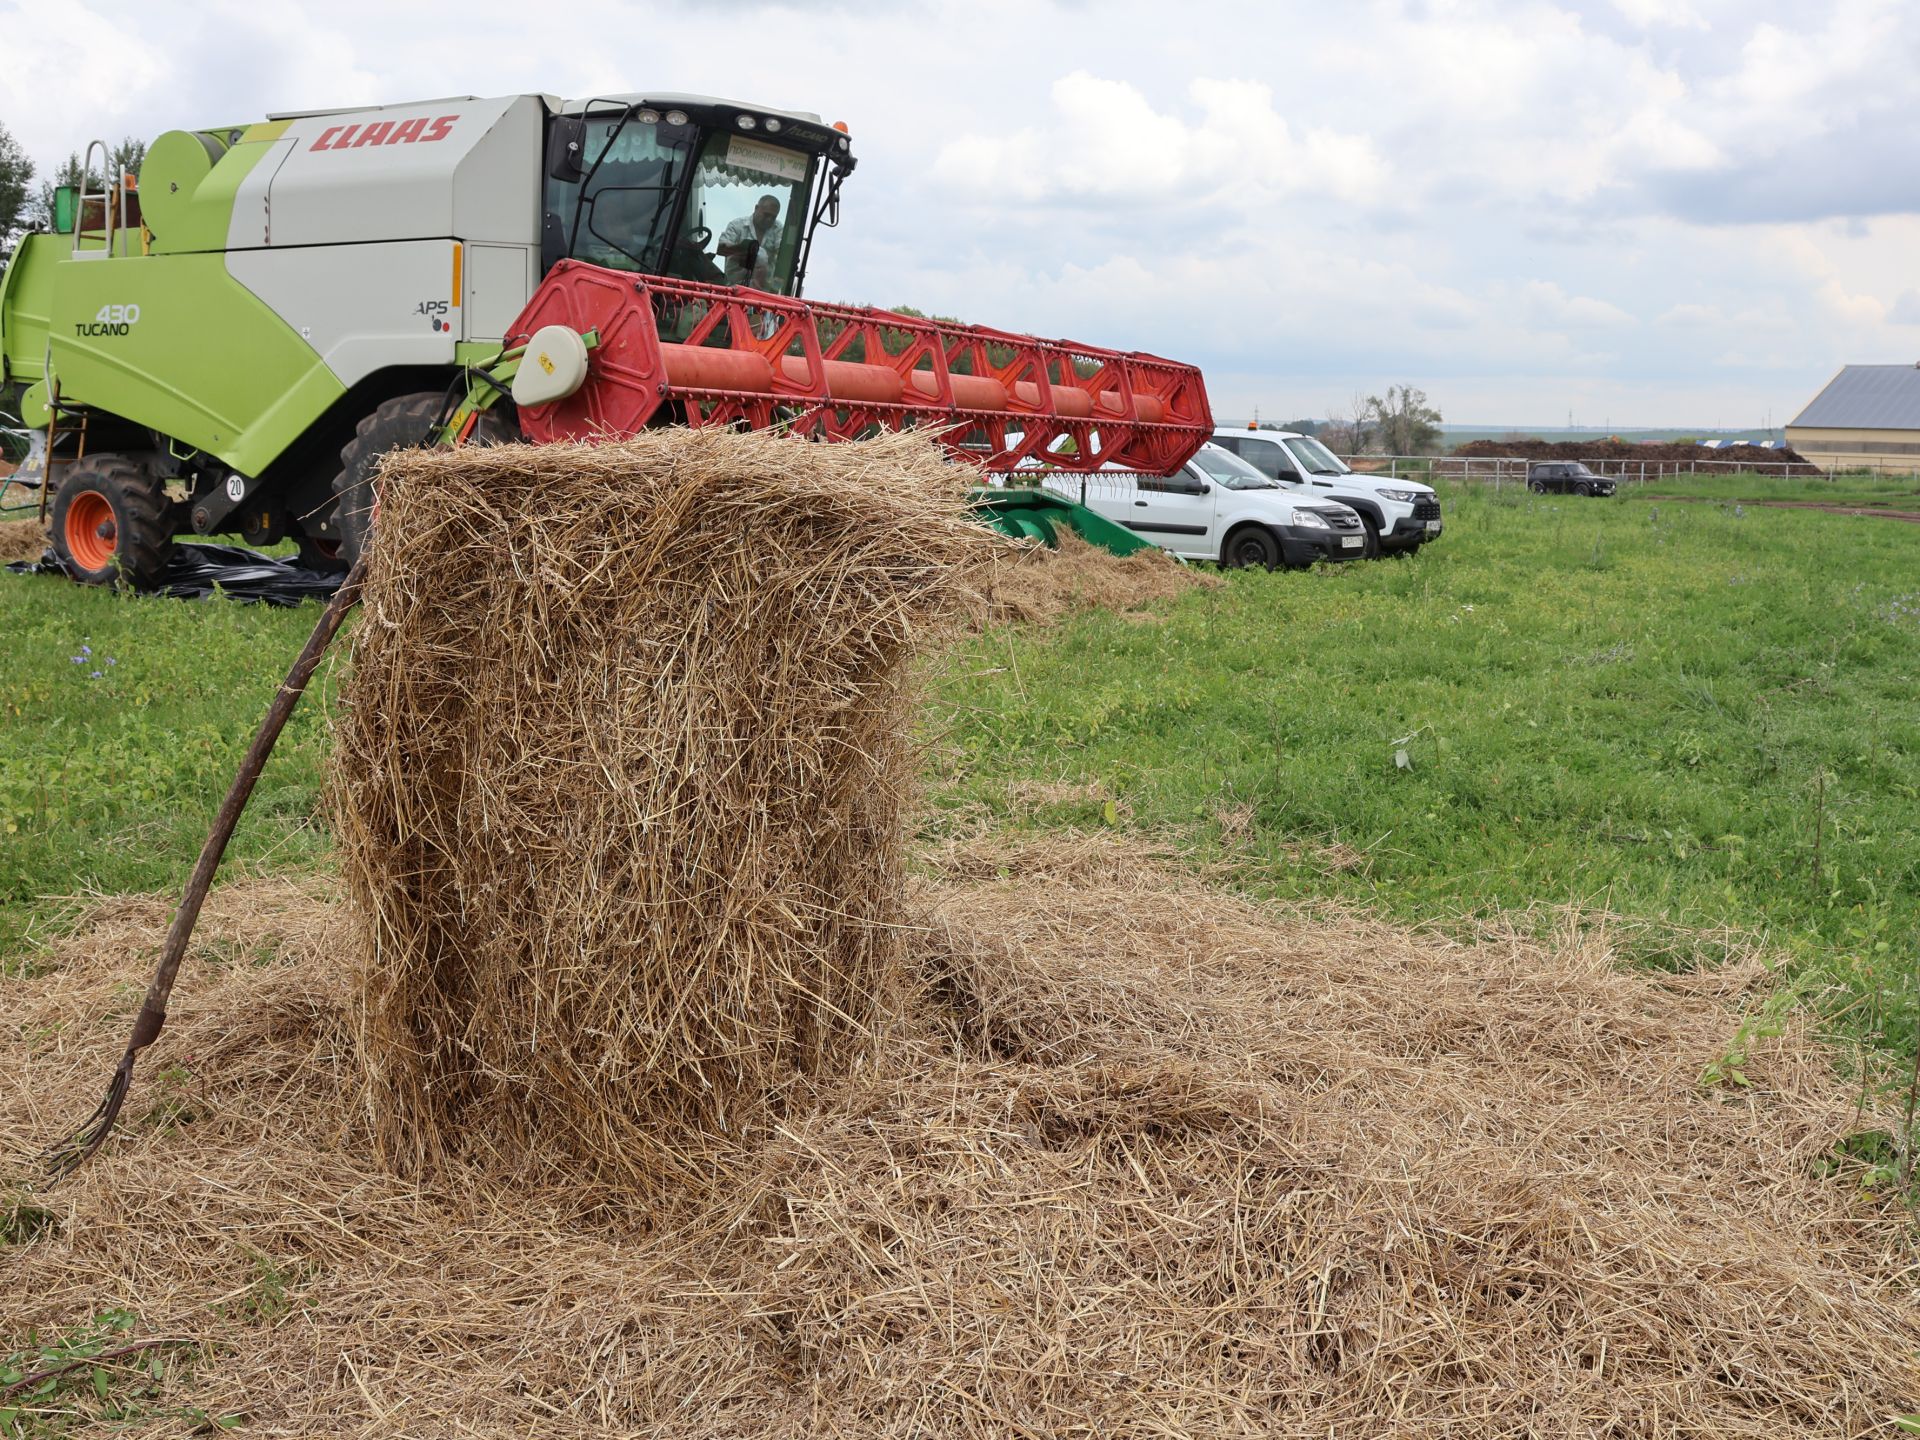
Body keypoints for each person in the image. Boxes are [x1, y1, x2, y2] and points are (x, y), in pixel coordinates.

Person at [716, 195, 782, 292]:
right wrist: (744, 249)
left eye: (773, 217)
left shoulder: (778, 229)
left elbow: (783, 256)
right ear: (756, 208)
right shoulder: (737, 225)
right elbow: (721, 249)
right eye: (766, 215)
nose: (769, 220)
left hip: (763, 292)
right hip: (734, 288)